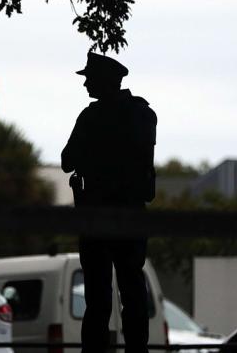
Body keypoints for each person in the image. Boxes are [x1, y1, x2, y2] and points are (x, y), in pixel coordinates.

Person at [61, 52, 157, 353]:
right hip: (131, 216)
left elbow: (67, 161)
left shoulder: (91, 117)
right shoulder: (142, 114)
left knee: (98, 298)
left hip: (96, 218)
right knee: (132, 291)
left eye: (90, 78)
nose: (86, 83)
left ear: (104, 81)